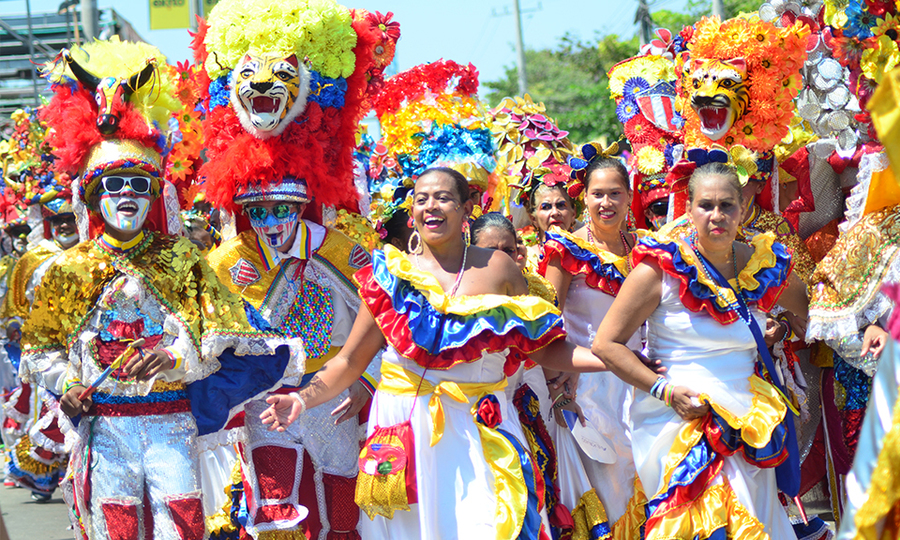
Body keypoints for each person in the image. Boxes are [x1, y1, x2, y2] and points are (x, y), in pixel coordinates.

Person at [21, 39, 299, 539]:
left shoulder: (182, 259)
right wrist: (68, 387)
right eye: (112, 184)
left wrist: (174, 357)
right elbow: (40, 352)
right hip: (104, 429)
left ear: (154, 193)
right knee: (117, 526)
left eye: (138, 183)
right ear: (90, 194)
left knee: (184, 524)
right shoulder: (68, 269)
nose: (126, 193)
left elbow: (231, 335)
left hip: (172, 422)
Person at [260, 167, 611, 540]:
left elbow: (543, 349)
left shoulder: (499, 268)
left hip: (481, 425)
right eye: (422, 199)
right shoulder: (390, 276)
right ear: (412, 211)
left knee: (492, 526)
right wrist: (302, 398)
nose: (431, 206)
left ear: (466, 209)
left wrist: (610, 360)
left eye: (443, 198)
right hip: (406, 431)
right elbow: (349, 362)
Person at [593, 162, 809, 538]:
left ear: (742, 209)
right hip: (678, 421)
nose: (717, 215)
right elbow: (606, 345)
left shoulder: (763, 264)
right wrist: (666, 392)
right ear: (688, 208)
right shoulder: (659, 269)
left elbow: (810, 310)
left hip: (748, 421)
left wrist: (785, 327)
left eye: (727, 205)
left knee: (752, 521)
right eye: (705, 205)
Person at [538, 153, 644, 530]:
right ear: (583, 198)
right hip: (590, 388)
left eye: (615, 193)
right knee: (614, 491)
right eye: (597, 193)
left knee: (653, 481)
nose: (606, 203)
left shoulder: (647, 249)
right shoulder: (565, 250)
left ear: (630, 197)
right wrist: (558, 386)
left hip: (646, 380)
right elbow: (547, 324)